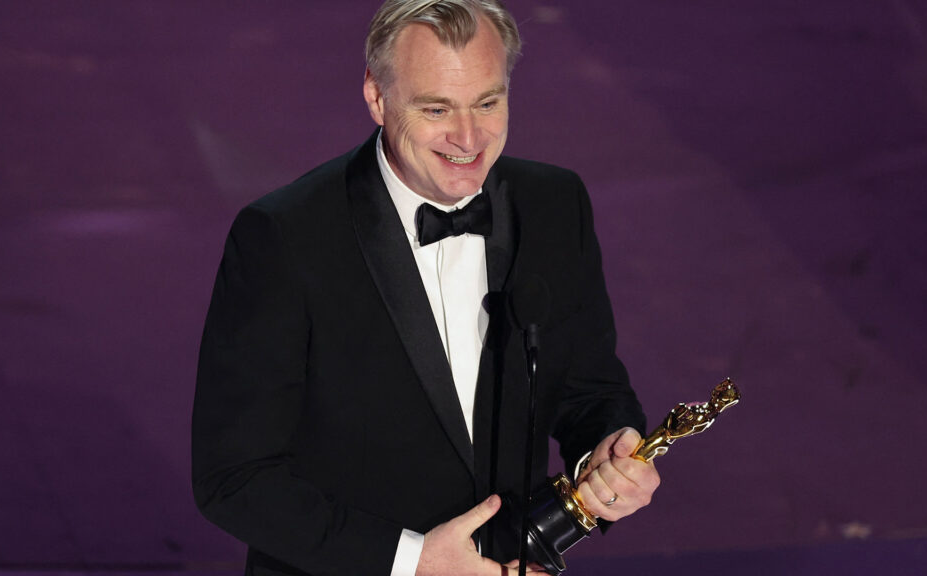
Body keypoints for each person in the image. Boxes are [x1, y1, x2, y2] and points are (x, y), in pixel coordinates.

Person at [191, 1, 660, 575]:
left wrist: (609, 454)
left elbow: (588, 388)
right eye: (437, 108)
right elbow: (234, 476)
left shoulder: (554, 205)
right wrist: (412, 561)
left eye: (487, 102)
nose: (468, 137)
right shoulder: (285, 237)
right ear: (377, 97)